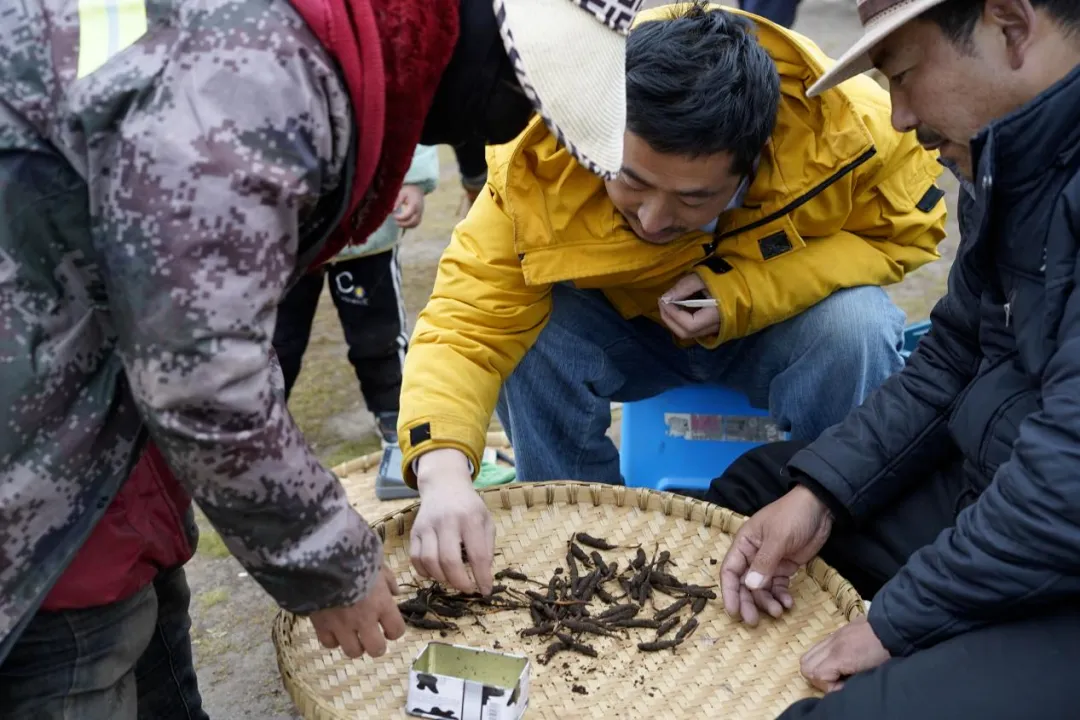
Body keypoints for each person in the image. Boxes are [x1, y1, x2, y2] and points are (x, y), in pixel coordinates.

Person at [0, 0, 648, 715]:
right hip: (33, 460)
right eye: (530, 104)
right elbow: (204, 378)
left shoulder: (312, 38)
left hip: (97, 420)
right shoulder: (260, 81)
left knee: (140, 627)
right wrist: (331, 565)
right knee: (78, 650)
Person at [397, 2, 949, 597]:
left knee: (858, 326)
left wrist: (743, 292)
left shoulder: (850, 133)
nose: (655, 219)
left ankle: (832, 532)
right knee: (527, 334)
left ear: (754, 161)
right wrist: (444, 473)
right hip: (626, 335)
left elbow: (905, 235)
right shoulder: (545, 162)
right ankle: (576, 537)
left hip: (771, 330)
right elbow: (465, 324)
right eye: (631, 181)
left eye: (693, 198)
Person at [707, 0, 1080, 717]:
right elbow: (952, 359)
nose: (901, 117)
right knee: (757, 496)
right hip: (993, 488)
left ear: (1009, 24)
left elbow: (1065, 478)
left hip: (1056, 543)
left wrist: (896, 621)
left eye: (904, 75)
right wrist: (824, 494)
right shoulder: (1006, 161)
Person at [273, 145, 440, 447]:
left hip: (366, 222)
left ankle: (393, 410)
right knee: (278, 340)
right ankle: (260, 419)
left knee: (378, 334)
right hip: (290, 228)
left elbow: (411, 106)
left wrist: (414, 178)